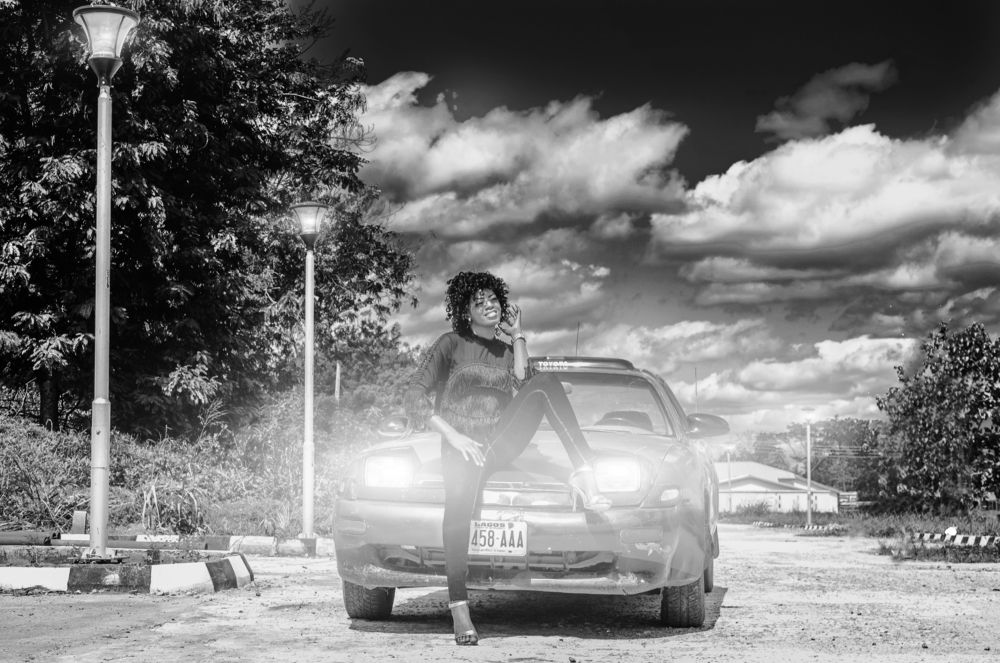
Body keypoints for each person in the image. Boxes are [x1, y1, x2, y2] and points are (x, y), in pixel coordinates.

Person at [405, 271, 609, 646]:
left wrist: (517, 336)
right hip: (460, 446)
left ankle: (584, 468)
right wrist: (453, 435)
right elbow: (414, 396)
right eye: (479, 301)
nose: (489, 306)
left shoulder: (505, 348)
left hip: (497, 442)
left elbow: (523, 383)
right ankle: (459, 606)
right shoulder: (450, 344)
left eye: (494, 300)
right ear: (465, 309)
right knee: (458, 510)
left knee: (544, 383)